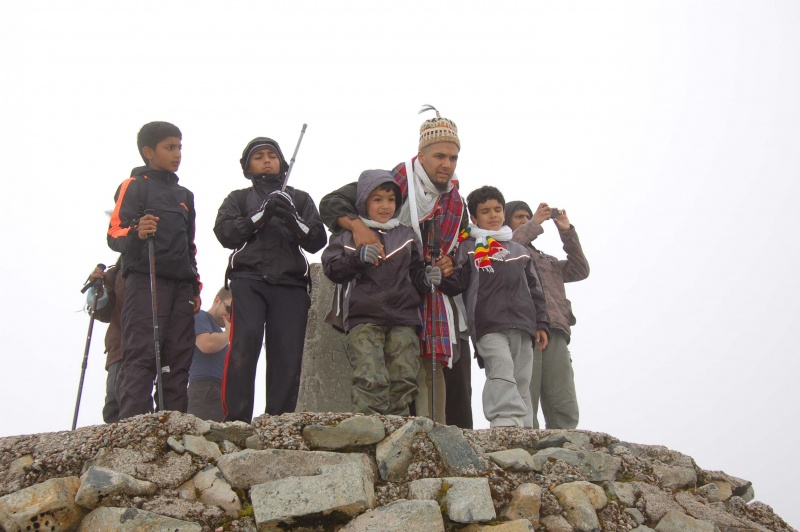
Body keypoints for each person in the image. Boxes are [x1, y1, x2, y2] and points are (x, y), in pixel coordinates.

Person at [320, 107, 471, 427]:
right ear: (421, 155)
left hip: (420, 299)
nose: (447, 164)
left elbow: (460, 254)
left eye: (453, 158)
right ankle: (371, 434)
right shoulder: (389, 184)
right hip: (370, 304)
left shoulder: (457, 204)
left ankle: (411, 436)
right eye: (440, 156)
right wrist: (359, 229)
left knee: (412, 376)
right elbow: (329, 204)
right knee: (372, 375)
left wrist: (446, 265)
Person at [214, 137, 326, 423]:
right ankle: (236, 420)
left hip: (291, 285)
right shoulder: (238, 199)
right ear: (247, 166)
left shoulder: (300, 199)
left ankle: (279, 421)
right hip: (248, 280)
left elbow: (317, 240)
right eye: (259, 156)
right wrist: (260, 215)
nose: (267, 160)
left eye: (272, 155)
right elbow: (225, 233)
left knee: (287, 353)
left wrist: (291, 216)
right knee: (245, 343)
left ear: (282, 163)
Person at [322, 169, 442, 416]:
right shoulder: (348, 236)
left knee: (404, 378)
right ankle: (368, 429)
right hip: (363, 319)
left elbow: (416, 274)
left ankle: (397, 430)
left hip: (404, 320)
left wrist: (427, 278)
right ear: (363, 203)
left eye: (391, 199)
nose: (385, 206)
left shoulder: (407, 235)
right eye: (377, 199)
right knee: (370, 377)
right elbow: (332, 268)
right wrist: (358, 258)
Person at [107, 121, 202, 419]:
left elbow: (189, 245)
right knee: (141, 352)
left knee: (179, 356)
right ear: (149, 152)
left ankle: (172, 423)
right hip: (144, 279)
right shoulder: (134, 185)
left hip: (182, 285)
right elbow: (114, 233)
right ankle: (134, 425)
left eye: (179, 147)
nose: (177, 154)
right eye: (169, 147)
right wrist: (137, 231)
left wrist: (195, 286)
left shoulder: (185, 195)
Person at [441, 186, 549, 428]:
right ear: (474, 218)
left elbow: (535, 290)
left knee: (522, 376)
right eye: (486, 211)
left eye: (498, 210)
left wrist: (541, 323)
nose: (493, 215)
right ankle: (504, 421)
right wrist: (442, 273)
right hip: (487, 324)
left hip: (523, 324)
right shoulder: (468, 247)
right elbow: (457, 282)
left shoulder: (519, 250)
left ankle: (524, 426)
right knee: (501, 368)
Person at [507, 200, 589, 429]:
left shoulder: (547, 261)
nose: (525, 220)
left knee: (562, 394)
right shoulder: (507, 250)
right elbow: (512, 245)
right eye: (519, 217)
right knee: (526, 394)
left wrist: (566, 231)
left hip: (556, 329)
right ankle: (527, 441)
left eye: (527, 217)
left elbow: (580, 270)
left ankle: (566, 441)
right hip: (525, 329)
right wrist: (535, 222)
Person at [88, 260, 126, 423]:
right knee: (114, 401)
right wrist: (97, 289)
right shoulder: (116, 273)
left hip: (148, 345)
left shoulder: (160, 266)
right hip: (120, 345)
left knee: (136, 400)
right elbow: (103, 312)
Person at [187, 287, 232, 422]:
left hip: (216, 390)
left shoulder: (220, 333)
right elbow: (207, 344)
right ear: (217, 300)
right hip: (204, 388)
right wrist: (229, 333)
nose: (230, 316)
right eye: (229, 309)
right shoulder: (200, 316)